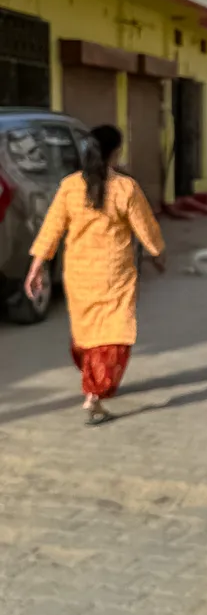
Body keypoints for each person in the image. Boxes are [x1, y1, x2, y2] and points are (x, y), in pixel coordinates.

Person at [26, 123, 165, 424]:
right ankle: (94, 395)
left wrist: (35, 267)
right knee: (113, 335)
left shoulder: (70, 186)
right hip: (115, 273)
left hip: (78, 273)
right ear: (116, 152)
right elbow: (147, 229)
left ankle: (93, 384)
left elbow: (51, 229)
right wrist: (157, 253)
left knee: (88, 334)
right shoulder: (126, 187)